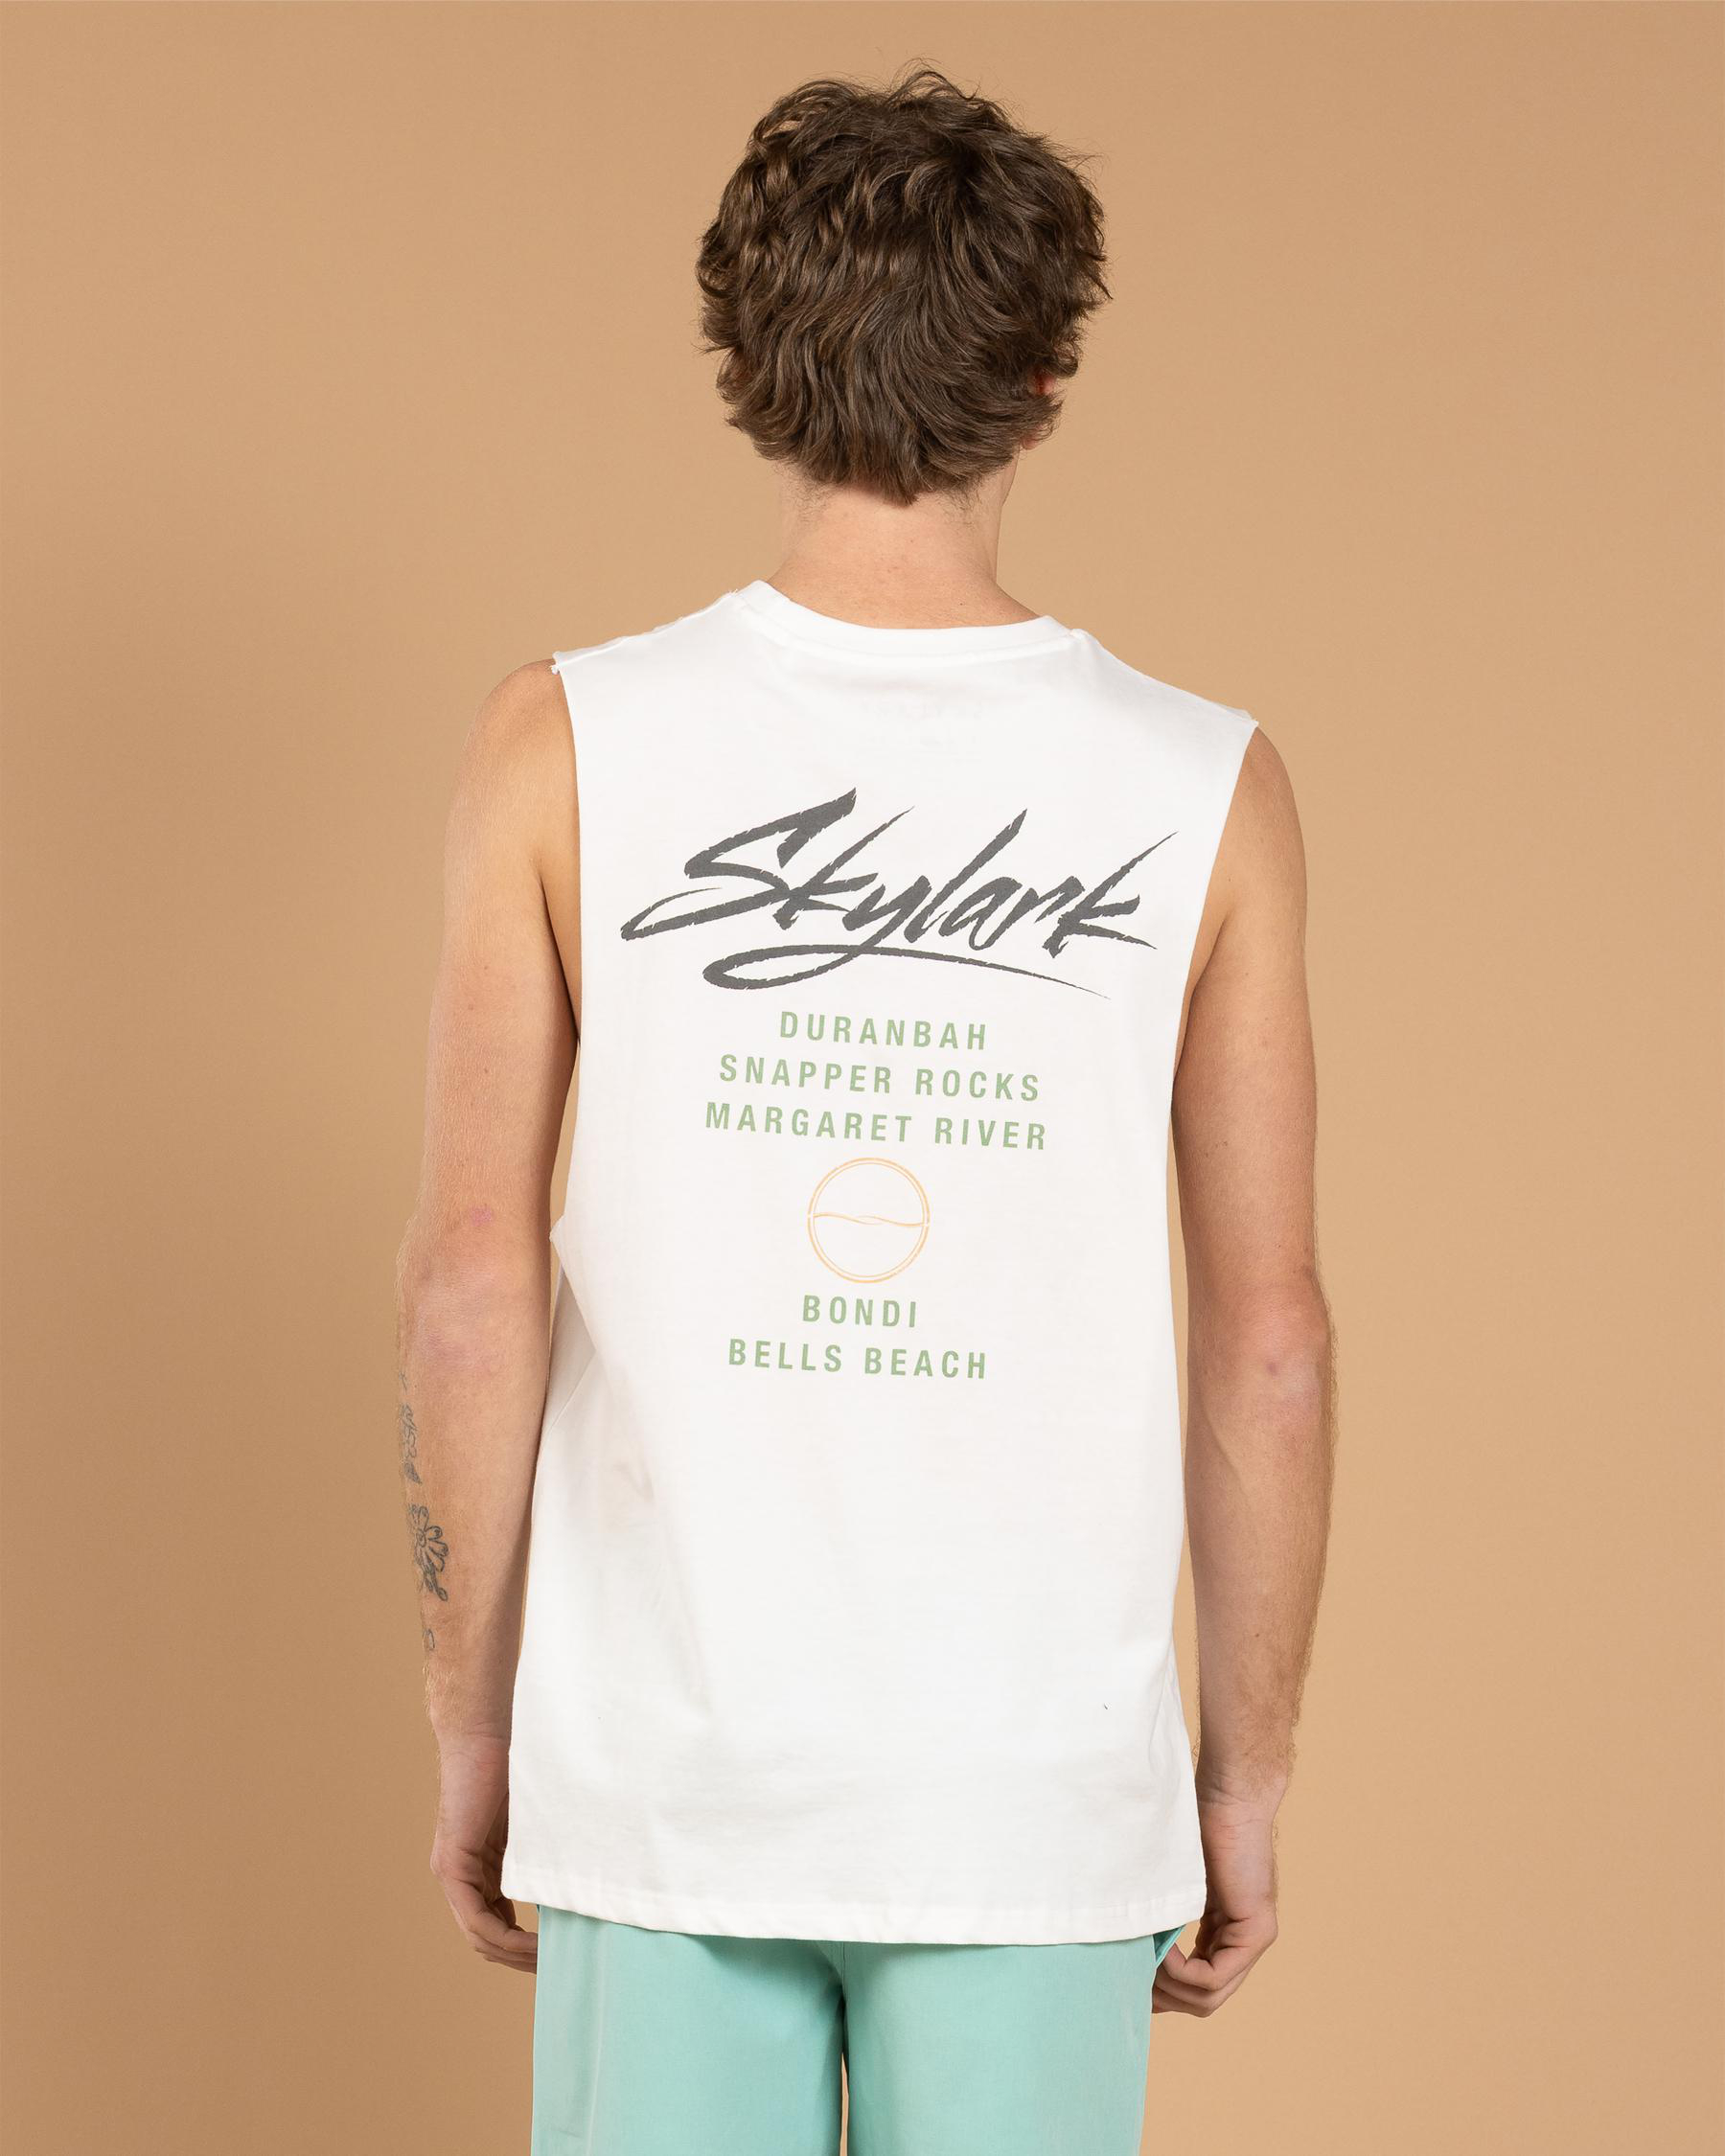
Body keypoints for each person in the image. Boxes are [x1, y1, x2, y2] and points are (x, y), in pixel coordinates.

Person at [396, 64, 1335, 2156]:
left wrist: (478, 1723)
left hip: (667, 1774)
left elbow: (470, 1281)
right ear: (1048, 376)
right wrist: (1242, 1776)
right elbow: (1267, 1339)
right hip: (1032, 1794)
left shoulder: (562, 744)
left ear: (744, 358)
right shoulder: (1206, 789)